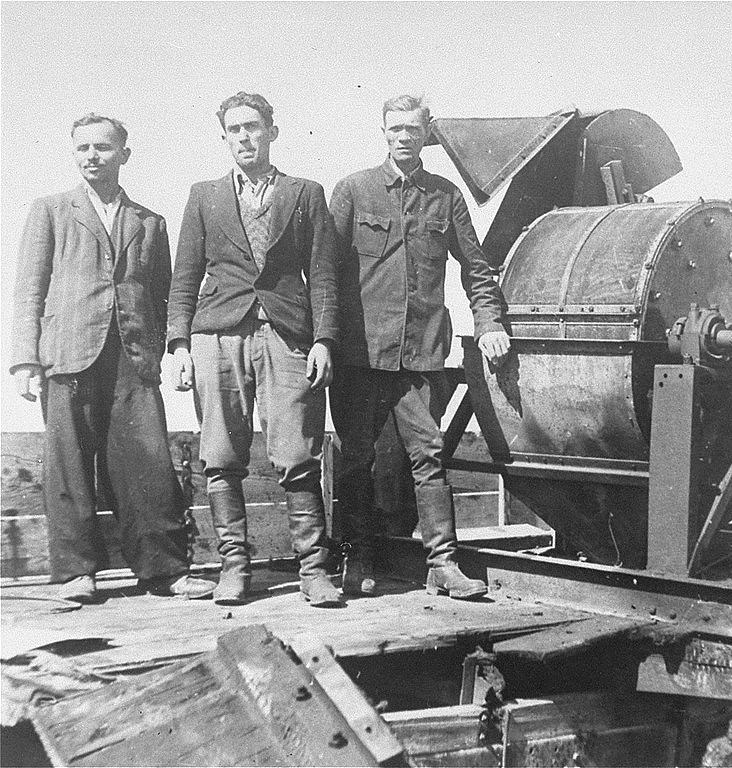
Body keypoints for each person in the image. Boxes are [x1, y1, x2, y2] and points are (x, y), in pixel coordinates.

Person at [8, 113, 216, 603]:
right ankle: (77, 573)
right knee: (69, 465)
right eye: (82, 148)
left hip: (132, 356)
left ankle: (163, 569)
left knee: (147, 463)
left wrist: (168, 349)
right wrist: (25, 359)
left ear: (125, 154)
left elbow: (164, 295)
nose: (92, 157)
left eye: (102, 147)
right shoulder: (51, 210)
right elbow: (29, 291)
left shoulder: (150, 222)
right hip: (67, 355)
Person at [329, 94, 511, 600]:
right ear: (383, 132)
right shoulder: (353, 191)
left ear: (427, 132)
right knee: (355, 458)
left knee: (429, 455)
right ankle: (357, 557)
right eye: (395, 128)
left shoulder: (446, 197)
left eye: (412, 128)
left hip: (421, 355)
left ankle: (443, 564)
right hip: (359, 357)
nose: (403, 136)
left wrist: (490, 321)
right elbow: (325, 275)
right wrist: (323, 342)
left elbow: (476, 270)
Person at [167, 92, 342, 606]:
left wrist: (324, 339)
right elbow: (185, 276)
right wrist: (179, 344)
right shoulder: (205, 196)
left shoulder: (305, 193)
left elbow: (325, 275)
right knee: (220, 453)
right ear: (224, 137)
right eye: (235, 130)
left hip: (287, 335)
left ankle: (314, 571)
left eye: (253, 127)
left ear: (272, 131)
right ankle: (234, 568)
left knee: (296, 452)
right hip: (217, 335)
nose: (245, 137)